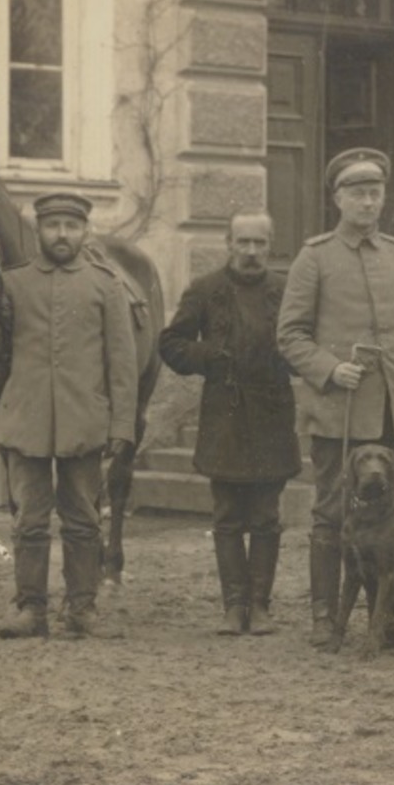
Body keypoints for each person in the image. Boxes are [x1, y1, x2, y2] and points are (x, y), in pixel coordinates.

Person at [277, 148, 394, 648]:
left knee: (388, 517)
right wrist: (330, 368)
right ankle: (326, 616)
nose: (369, 203)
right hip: (340, 412)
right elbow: (290, 335)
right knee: (332, 513)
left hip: (392, 407)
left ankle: (386, 616)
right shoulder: (315, 256)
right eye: (358, 193)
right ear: (338, 199)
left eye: (376, 193)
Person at [0, 192, 138, 640]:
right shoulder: (11, 283)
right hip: (27, 419)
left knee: (83, 519)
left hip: (83, 420)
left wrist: (121, 425)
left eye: (71, 227)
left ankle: (81, 609)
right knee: (29, 519)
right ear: (40, 230)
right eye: (53, 226)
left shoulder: (105, 284)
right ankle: (30, 609)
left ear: (84, 231)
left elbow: (123, 363)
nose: (61, 235)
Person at [158, 210, 301, 636]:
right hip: (224, 412)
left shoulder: (287, 288)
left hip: (273, 412)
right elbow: (171, 343)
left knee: (265, 514)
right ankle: (232, 606)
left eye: (260, 243)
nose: (252, 252)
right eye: (244, 243)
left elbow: (307, 338)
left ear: (270, 245)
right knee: (225, 515)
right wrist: (208, 356)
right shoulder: (205, 290)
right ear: (229, 244)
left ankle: (259, 607)